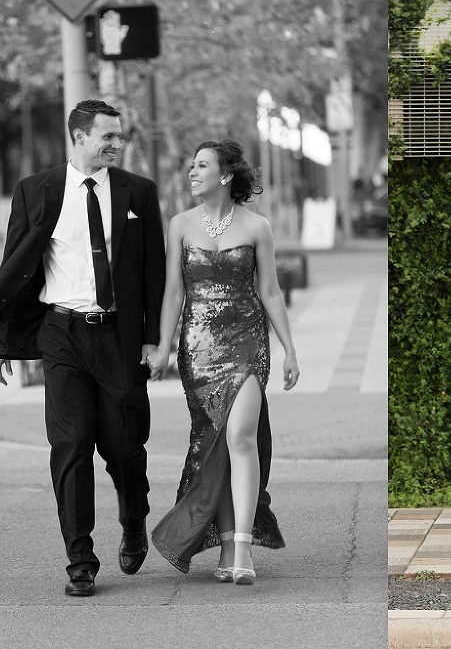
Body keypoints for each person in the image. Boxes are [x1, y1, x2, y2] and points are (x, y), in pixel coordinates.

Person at [0, 100, 166, 597]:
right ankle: (80, 559)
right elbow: (14, 266)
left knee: (123, 446)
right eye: (106, 136)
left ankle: (133, 517)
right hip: (63, 333)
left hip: (119, 338)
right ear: (78, 137)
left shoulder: (139, 192)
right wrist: (0, 343)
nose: (116, 144)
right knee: (69, 447)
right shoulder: (37, 190)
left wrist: (156, 339)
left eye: (119, 136)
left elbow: (155, 271)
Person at [147, 139, 299, 585]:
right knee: (216, 446)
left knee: (241, 437)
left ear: (225, 175)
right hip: (199, 348)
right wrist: (162, 346)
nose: (192, 172)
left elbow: (270, 290)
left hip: (248, 341)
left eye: (201, 165)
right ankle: (227, 543)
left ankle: (244, 551)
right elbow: (174, 292)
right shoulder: (179, 224)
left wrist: (291, 349)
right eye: (191, 165)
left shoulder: (258, 227)